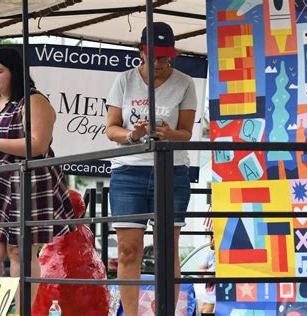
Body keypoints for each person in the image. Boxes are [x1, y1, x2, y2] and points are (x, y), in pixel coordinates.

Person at [0, 48, 74, 313]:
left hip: (27, 178)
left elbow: (38, 145)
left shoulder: (34, 101)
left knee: (20, 250)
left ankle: (23, 312)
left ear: (14, 72)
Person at [106, 22, 197, 315]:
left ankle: (165, 312)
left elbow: (186, 133)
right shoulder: (124, 80)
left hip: (171, 171)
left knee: (166, 250)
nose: (157, 62)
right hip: (128, 171)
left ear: (174, 54)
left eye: (164, 57)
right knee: (127, 250)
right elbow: (111, 129)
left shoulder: (185, 82)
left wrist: (168, 133)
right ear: (141, 52)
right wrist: (134, 134)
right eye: (152, 55)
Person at [198, 235, 216, 314]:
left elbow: (209, 275)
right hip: (207, 297)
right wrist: (208, 271)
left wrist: (206, 271)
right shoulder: (211, 252)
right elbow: (199, 271)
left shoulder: (223, 254)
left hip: (215, 299)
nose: (210, 241)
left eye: (211, 237)